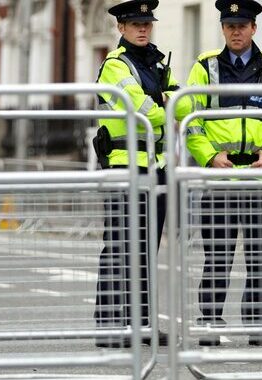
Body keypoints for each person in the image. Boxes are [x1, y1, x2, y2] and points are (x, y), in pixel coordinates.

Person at [185, 0, 262, 347]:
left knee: (261, 257)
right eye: (230, 25)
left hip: (261, 178)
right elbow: (190, 122)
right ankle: (209, 320)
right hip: (220, 180)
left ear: (254, 28)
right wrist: (208, 157)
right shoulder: (205, 67)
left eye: (243, 25)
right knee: (217, 257)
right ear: (223, 29)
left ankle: (258, 321)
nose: (236, 31)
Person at [92, 0, 188, 348]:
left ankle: (142, 323)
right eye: (135, 24)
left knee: (146, 249)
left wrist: (165, 100)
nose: (143, 28)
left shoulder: (158, 62)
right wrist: (166, 102)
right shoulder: (115, 66)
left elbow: (186, 102)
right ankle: (109, 324)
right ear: (121, 28)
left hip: (157, 168)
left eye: (147, 23)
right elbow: (141, 108)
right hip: (125, 166)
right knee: (120, 245)